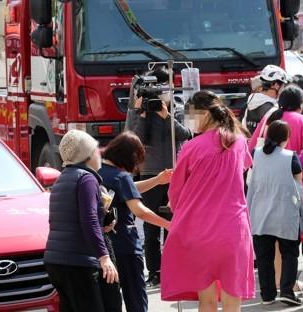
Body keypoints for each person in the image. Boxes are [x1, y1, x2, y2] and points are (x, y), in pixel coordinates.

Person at [161, 91, 255, 311]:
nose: (188, 121)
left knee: (208, 299)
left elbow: (175, 195)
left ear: (204, 114)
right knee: (234, 299)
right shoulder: (239, 142)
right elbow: (245, 167)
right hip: (234, 229)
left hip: (199, 230)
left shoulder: (191, 147)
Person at [44, 130, 119, 312]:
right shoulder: (87, 179)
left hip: (56, 262)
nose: (99, 153)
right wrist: (104, 257)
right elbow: (89, 219)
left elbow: (66, 220)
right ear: (86, 155)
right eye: (95, 149)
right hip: (78, 262)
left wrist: (103, 224)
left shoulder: (62, 178)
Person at [99, 132, 172, 312]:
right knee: (136, 300)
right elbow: (139, 210)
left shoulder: (99, 171)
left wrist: (157, 180)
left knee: (110, 301)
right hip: (126, 246)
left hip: (105, 249)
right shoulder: (121, 176)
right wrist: (169, 225)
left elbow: (127, 189)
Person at [133, 87, 192, 288]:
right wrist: (140, 113)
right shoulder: (140, 116)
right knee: (150, 229)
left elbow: (186, 134)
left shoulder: (170, 115)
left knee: (171, 226)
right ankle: (154, 272)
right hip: (150, 176)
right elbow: (135, 140)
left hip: (171, 176)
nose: (155, 105)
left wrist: (167, 116)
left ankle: (172, 268)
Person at [247, 120, 303, 306]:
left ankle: (267, 295)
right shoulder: (291, 157)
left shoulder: (255, 154)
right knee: (290, 254)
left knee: (264, 257)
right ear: (286, 138)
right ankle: (287, 291)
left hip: (259, 214)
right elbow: (298, 185)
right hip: (285, 214)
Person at [243, 64, 289, 134]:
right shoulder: (274, 110)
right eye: (283, 86)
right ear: (276, 85)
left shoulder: (248, 104)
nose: (283, 89)